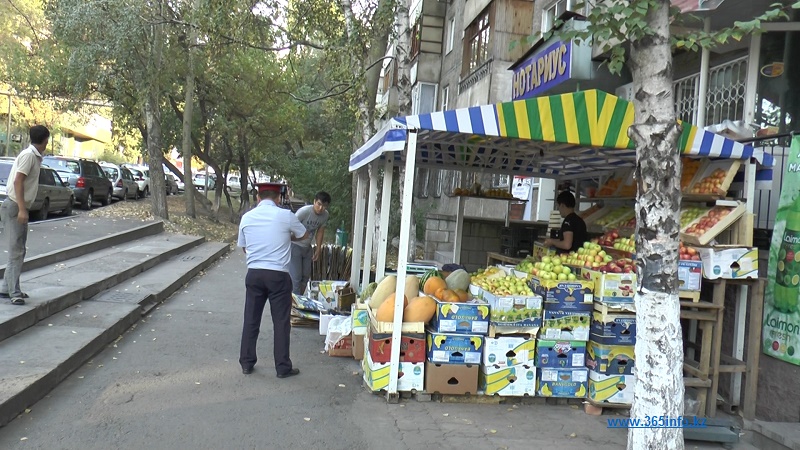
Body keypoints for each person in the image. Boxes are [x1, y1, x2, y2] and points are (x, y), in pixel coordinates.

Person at [238, 184, 309, 378]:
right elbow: (304, 235)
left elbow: (244, 247)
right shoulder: (285, 216)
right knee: (281, 322)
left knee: (251, 319)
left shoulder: (246, 218)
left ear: (258, 198)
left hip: (254, 274)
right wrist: (287, 238)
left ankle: (246, 362)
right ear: (278, 198)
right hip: (278, 275)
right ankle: (282, 367)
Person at [1, 125, 49, 305]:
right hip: (15, 205)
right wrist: (22, 208)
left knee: (18, 249)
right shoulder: (29, 156)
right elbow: (18, 181)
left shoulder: (33, 156)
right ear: (45, 140)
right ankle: (14, 293)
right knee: (17, 251)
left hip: (16, 205)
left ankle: (7, 288)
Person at [289, 191, 331, 295]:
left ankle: (298, 300)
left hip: (307, 247)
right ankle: (294, 306)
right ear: (314, 202)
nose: (321, 208)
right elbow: (290, 226)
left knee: (305, 277)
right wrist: (293, 238)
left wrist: (318, 249)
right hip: (295, 246)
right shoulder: (304, 212)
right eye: (319, 204)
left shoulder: (325, 215)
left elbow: (320, 231)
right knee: (296, 278)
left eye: (324, 206)